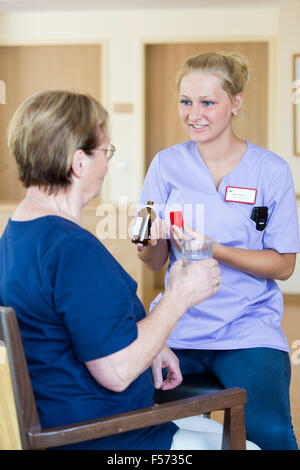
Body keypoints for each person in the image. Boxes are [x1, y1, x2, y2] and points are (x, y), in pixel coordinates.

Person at [0, 89, 259, 450]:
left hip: (70, 424)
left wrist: (151, 344)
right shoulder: (70, 248)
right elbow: (119, 372)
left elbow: (82, 328)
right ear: (79, 163)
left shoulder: (19, 232)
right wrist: (180, 295)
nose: (107, 164)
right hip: (105, 439)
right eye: (106, 152)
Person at [137, 52, 300, 450]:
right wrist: (151, 238)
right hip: (178, 326)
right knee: (140, 425)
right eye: (186, 101)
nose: (194, 114)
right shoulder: (166, 165)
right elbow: (153, 259)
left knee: (272, 435)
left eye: (208, 102)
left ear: (236, 103)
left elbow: (282, 266)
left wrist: (213, 249)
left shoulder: (270, 170)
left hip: (247, 326)